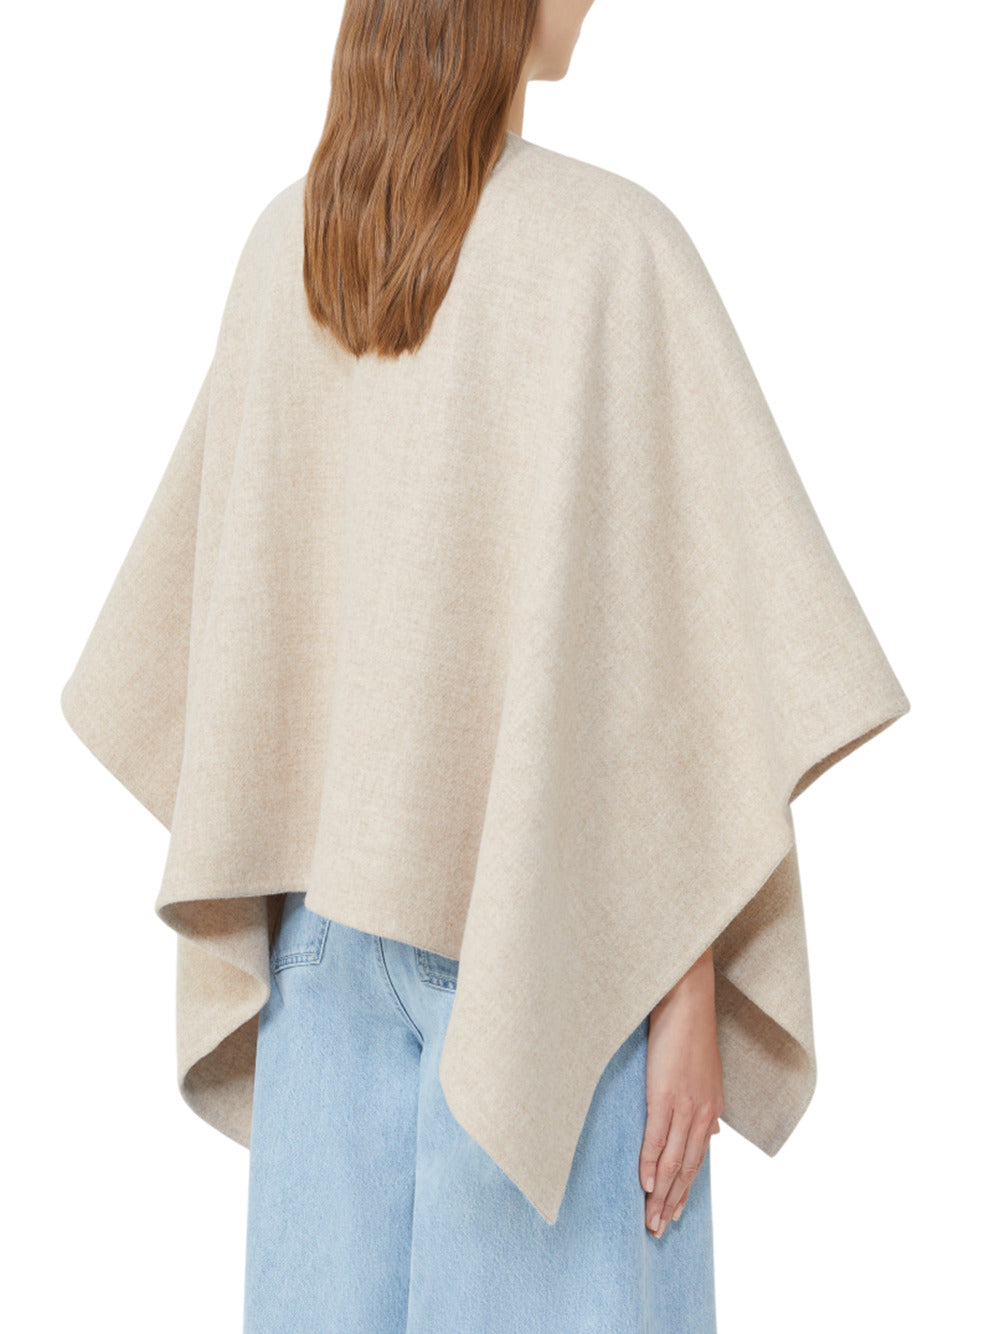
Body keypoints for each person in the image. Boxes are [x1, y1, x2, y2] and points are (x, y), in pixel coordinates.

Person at [59, 0, 910, 1330]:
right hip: (554, 959)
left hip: (317, 967)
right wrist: (686, 985)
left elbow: (231, 668)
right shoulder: (613, 251)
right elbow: (682, 669)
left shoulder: (293, 249)